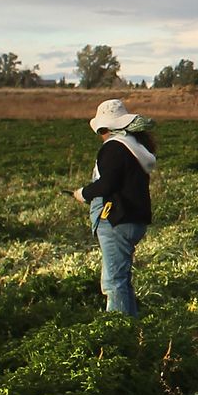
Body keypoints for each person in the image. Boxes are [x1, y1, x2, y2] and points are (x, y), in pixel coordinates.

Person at [70, 100, 155, 316]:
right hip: (135, 219)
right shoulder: (135, 147)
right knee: (122, 279)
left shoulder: (114, 148)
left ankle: (118, 331)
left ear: (104, 128)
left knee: (113, 282)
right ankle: (132, 326)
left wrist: (83, 193)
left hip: (116, 219)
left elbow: (107, 184)